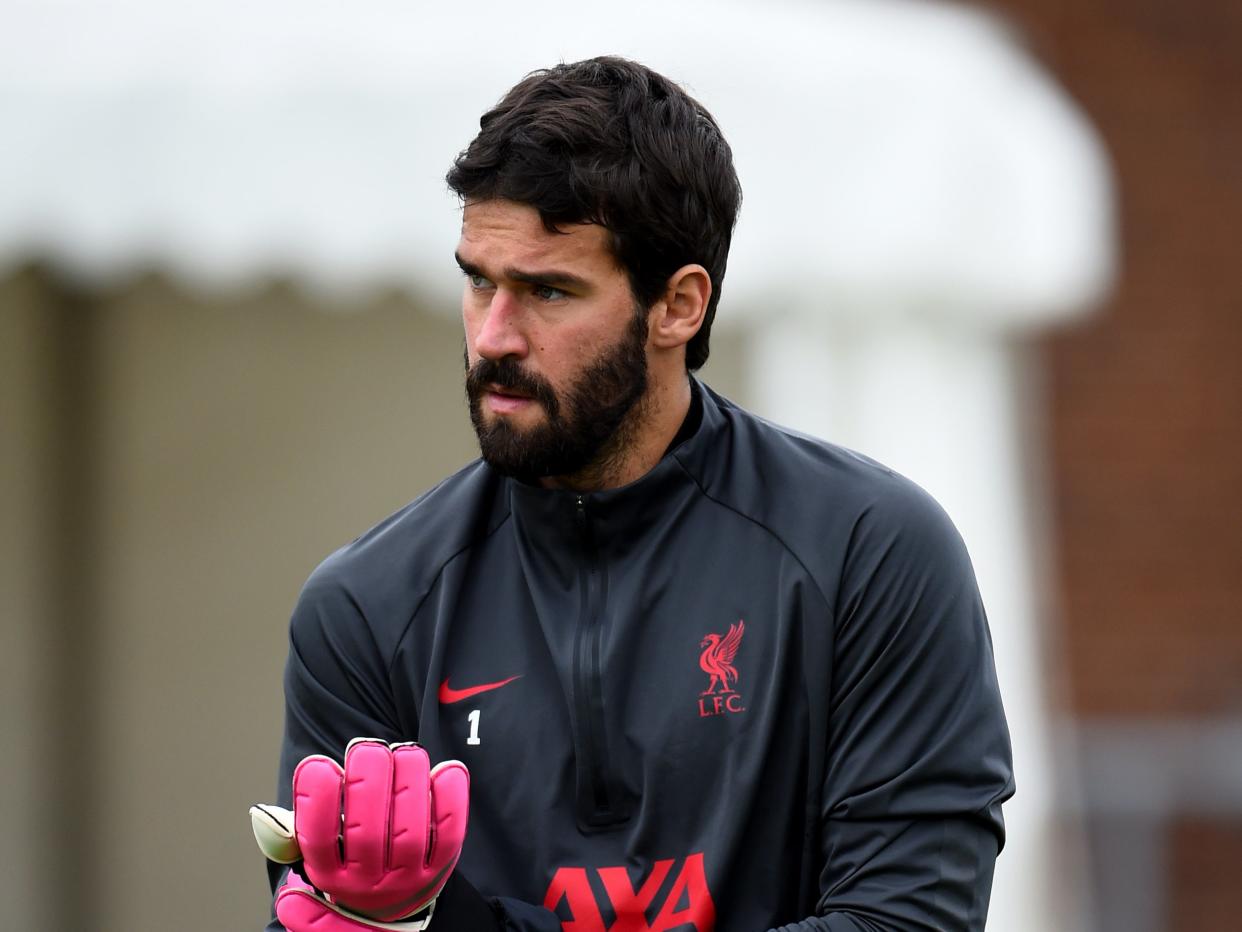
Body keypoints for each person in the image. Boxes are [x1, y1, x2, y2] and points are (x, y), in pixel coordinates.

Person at [252, 55, 1014, 932]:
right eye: (478, 280)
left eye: (548, 290)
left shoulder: (869, 552)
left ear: (679, 306)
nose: (494, 337)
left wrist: (446, 926)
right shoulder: (369, 608)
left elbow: (906, 921)